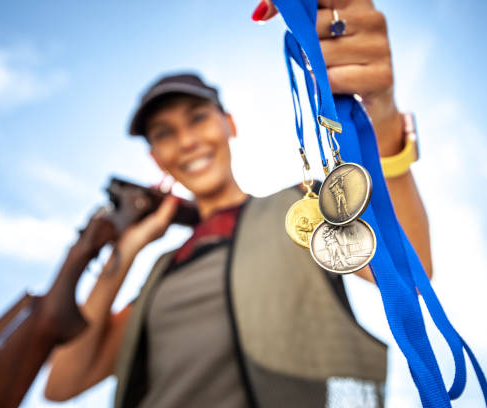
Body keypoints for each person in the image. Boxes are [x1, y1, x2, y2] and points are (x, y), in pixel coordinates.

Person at [44, 0, 432, 407]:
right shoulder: (163, 274)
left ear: (228, 124)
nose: (187, 141)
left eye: (197, 118)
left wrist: (381, 117)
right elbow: (63, 383)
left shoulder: (301, 204)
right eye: (164, 133)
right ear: (156, 158)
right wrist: (124, 251)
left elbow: (412, 269)